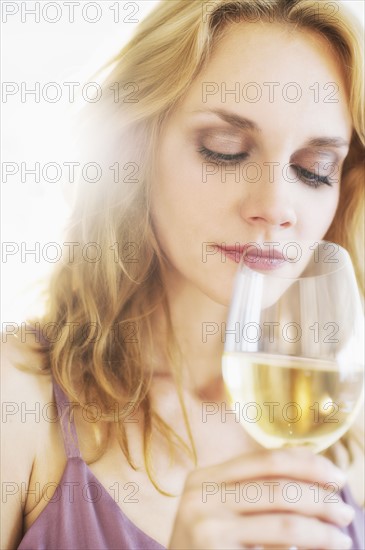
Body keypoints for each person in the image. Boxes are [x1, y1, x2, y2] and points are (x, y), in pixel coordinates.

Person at [2, 0, 364, 548]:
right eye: (226, 151)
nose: (274, 205)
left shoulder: (346, 429)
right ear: (137, 148)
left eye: (313, 170)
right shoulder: (20, 401)